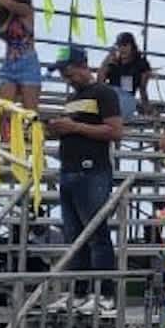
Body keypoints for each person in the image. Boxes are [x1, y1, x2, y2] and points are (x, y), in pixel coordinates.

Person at [45, 46, 124, 312]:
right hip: (69, 169)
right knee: (74, 235)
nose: (67, 78)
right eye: (63, 74)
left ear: (82, 65)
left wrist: (74, 127)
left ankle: (105, 295)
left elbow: (115, 131)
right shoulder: (73, 98)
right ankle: (78, 292)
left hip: (92, 171)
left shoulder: (103, 92)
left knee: (96, 234)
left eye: (68, 71)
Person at [0, 0, 40, 112]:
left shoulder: (26, 10)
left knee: (30, 114)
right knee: (4, 111)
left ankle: (31, 135)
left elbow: (11, 5)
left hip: (28, 65)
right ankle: (5, 134)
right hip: (8, 66)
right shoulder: (3, 15)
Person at [99, 33, 153, 119]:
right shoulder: (114, 62)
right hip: (110, 95)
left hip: (126, 97)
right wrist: (107, 59)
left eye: (125, 45)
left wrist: (147, 109)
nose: (122, 49)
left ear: (132, 46)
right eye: (119, 46)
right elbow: (100, 82)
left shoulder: (141, 63)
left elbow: (143, 89)